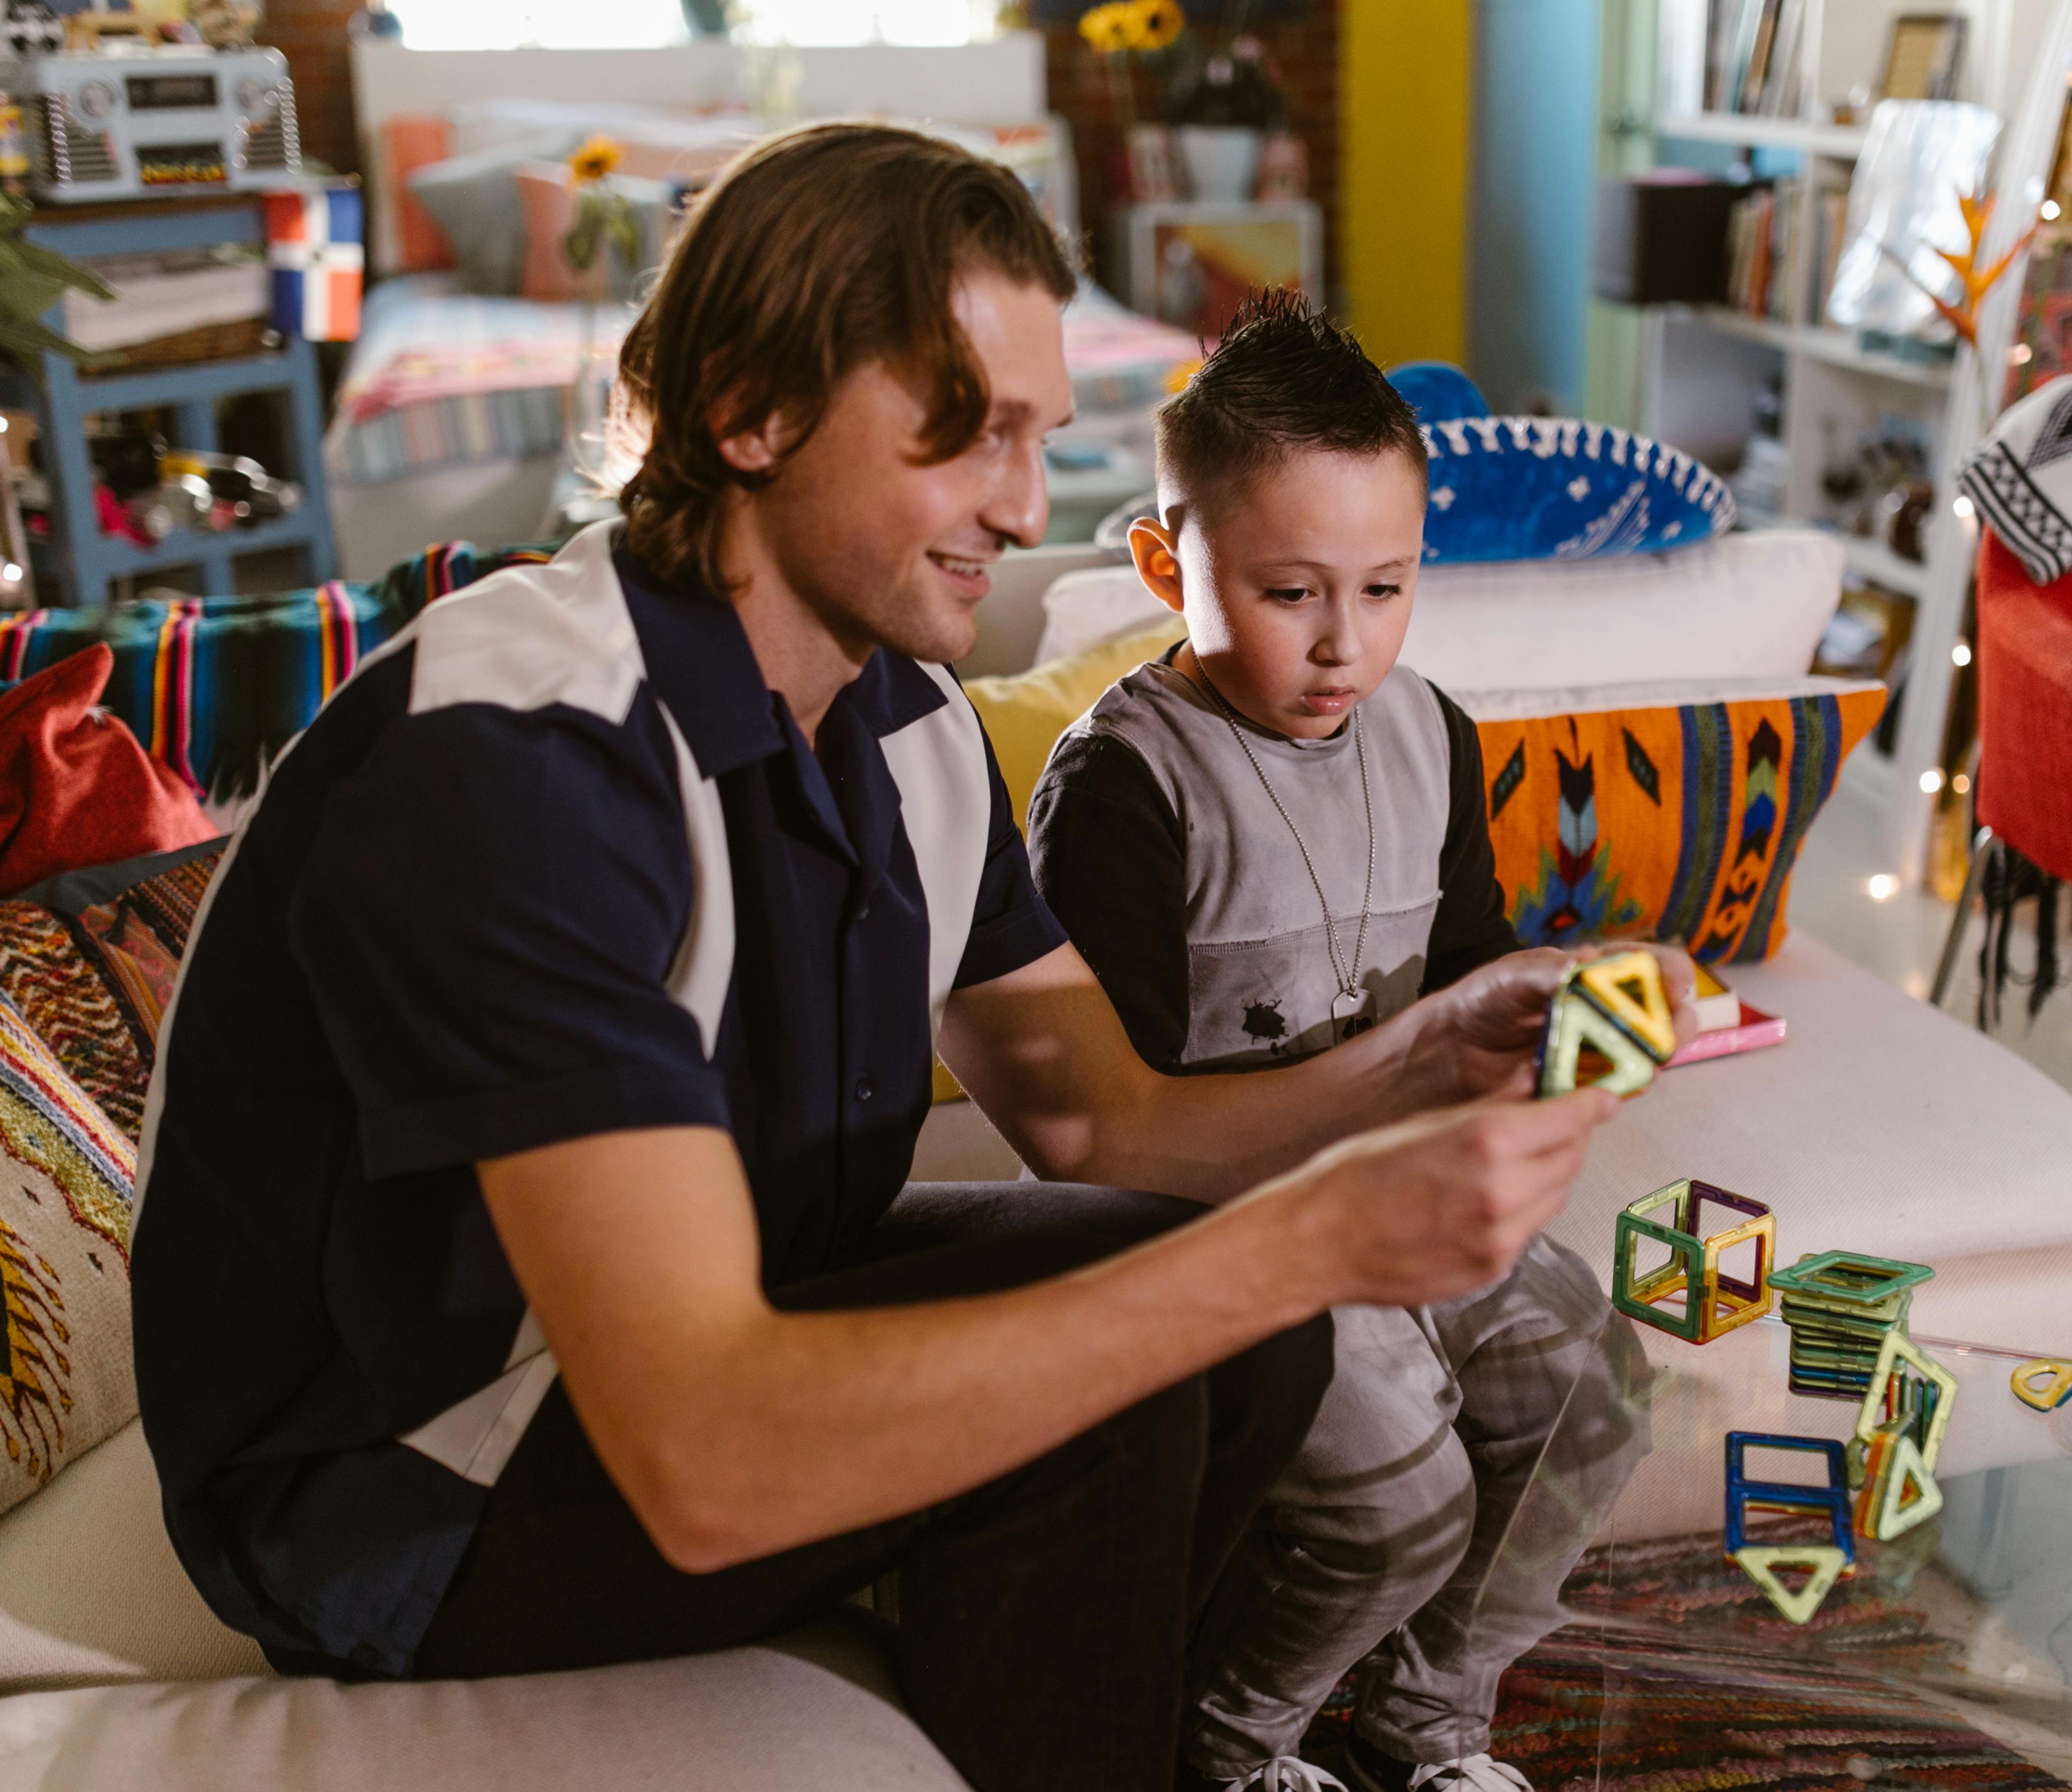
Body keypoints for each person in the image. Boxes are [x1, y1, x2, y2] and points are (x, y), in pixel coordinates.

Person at [128, 125, 1655, 1792]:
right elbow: (705, 1454)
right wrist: (1306, 1246)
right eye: (970, 433)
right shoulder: (523, 763)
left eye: (1041, 436)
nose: (1023, 500)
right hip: (403, 1495)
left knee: (1212, 1316)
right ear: (750, 408)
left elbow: (1106, 1128)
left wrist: (1430, 1056)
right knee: (1159, 1351)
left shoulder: (906, 726)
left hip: (716, 1321)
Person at [1026, 291, 1672, 1792]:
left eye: (1385, 589)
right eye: (1290, 591)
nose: (1343, 644)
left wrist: (1575, 1011)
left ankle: (1429, 1718)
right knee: (1401, 1502)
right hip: (1236, 1234)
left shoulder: (1432, 730)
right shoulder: (1120, 785)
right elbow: (1109, 1142)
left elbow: (1468, 964)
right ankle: (1235, 1749)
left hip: (1413, 1194)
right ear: (1161, 561)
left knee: (1596, 1388)